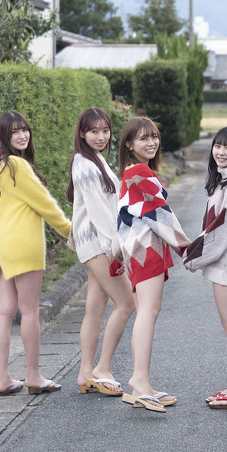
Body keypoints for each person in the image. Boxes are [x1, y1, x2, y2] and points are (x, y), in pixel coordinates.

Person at [0, 111, 71, 396]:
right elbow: (44, 203)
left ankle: (3, 379)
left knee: (5, 311)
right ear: (5, 136)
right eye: (14, 132)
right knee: (30, 310)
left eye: (24, 129)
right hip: (23, 245)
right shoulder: (18, 165)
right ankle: (33, 376)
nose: (22, 135)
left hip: (3, 247)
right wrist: (70, 231)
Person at [113, 117, 191, 413]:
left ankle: (141, 385)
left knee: (145, 312)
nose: (151, 142)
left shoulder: (130, 173)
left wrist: (116, 256)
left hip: (136, 251)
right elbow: (161, 215)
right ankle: (139, 380)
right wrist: (187, 248)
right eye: (143, 138)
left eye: (154, 136)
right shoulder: (139, 173)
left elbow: (121, 218)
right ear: (129, 144)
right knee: (148, 311)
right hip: (145, 250)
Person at [184, 127, 227, 410]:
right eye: (217, 146)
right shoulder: (225, 182)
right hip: (226, 264)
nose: (221, 152)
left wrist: (192, 256)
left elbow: (221, 231)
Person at [66, 108, 135, 396]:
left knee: (94, 309)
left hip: (94, 243)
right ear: (82, 133)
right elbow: (98, 212)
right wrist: (116, 248)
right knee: (127, 303)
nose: (101, 136)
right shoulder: (84, 164)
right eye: (94, 131)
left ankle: (86, 374)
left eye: (105, 131)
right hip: (98, 243)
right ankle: (102, 369)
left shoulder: (94, 159)